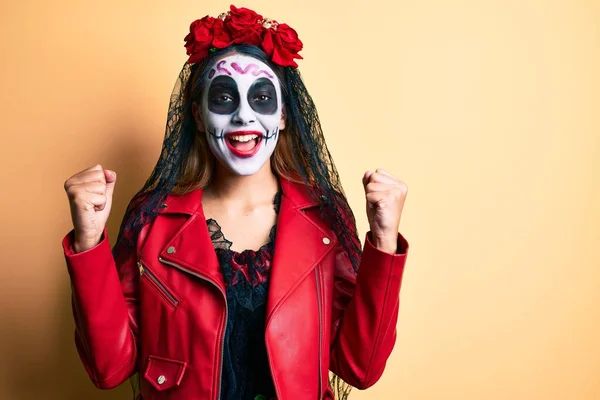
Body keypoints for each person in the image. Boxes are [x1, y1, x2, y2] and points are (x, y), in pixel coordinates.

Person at [62, 5, 409, 400]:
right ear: (197, 112)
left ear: (282, 115)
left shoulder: (325, 218)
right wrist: (89, 242)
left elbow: (360, 368)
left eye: (261, 98)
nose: (244, 115)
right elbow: (109, 369)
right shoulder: (152, 219)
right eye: (224, 97)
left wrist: (383, 241)